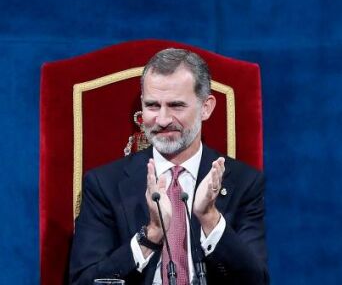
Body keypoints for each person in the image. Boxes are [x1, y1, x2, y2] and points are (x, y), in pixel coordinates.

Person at [69, 48, 269, 284]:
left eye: (176, 106)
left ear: (206, 107)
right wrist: (150, 235)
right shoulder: (105, 185)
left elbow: (257, 281)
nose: (162, 120)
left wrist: (210, 218)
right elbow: (83, 281)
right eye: (153, 106)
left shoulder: (244, 182)